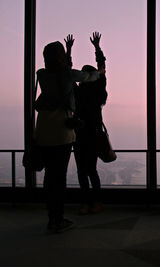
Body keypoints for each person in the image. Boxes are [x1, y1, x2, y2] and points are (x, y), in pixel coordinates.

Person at [35, 38, 104, 233]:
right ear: (61, 57)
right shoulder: (69, 76)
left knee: (50, 177)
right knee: (60, 176)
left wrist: (69, 50)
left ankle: (52, 216)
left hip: (43, 129)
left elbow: (63, 76)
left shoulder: (41, 74)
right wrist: (98, 70)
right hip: (61, 131)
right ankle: (57, 219)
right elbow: (86, 76)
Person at [66, 32, 108, 215]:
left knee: (83, 170)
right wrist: (97, 48)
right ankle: (95, 203)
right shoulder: (98, 91)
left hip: (80, 132)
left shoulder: (78, 91)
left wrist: (68, 51)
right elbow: (102, 68)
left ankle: (86, 203)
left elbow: (68, 72)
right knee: (91, 170)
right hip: (93, 132)